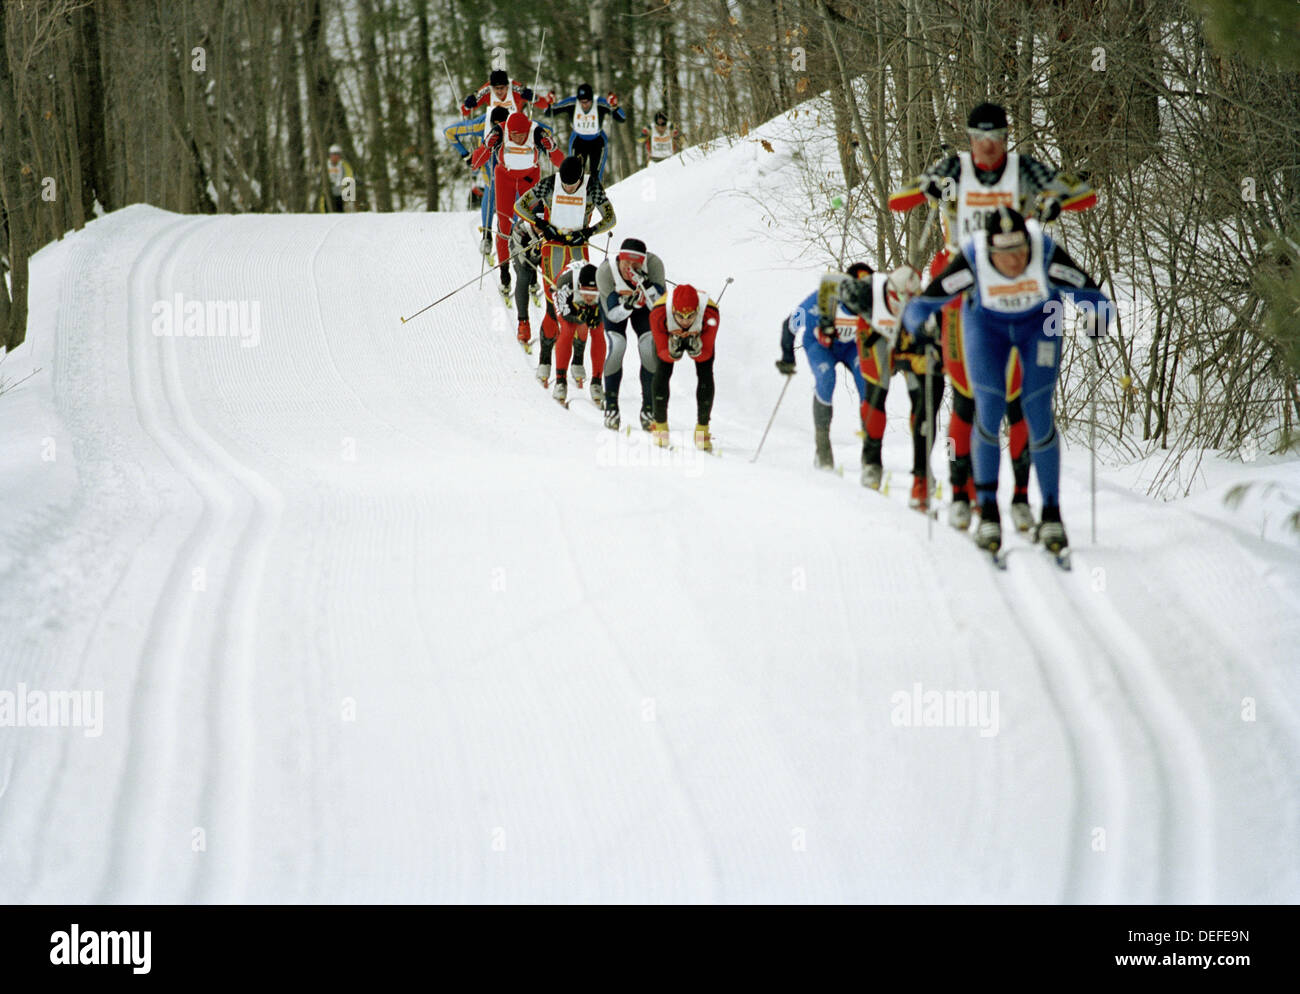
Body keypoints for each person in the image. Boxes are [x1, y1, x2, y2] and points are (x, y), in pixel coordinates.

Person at [890, 101, 1097, 531]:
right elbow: (897, 200)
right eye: (979, 138)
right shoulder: (954, 168)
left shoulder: (1023, 169)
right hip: (961, 290)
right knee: (967, 394)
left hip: (1020, 289)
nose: (988, 147)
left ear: (1007, 138)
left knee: (1024, 397)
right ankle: (962, 491)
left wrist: (1058, 198)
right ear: (968, 137)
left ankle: (1021, 496)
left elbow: (1083, 193)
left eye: (997, 138)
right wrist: (925, 189)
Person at [901, 207, 1110, 555]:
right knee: (989, 405)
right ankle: (988, 513)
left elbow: (1094, 296)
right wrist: (918, 327)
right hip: (986, 326)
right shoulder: (973, 257)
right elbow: (923, 304)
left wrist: (1097, 317)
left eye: (1020, 251)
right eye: (1004, 253)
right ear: (990, 249)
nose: (1013, 261)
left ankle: (1051, 513)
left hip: (1042, 321)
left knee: (1038, 409)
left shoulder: (1044, 250)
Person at [856, 266, 945, 510]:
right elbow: (840, 289)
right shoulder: (872, 289)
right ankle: (872, 461)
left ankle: (922, 468)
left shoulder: (923, 307)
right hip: (875, 336)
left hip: (906, 340)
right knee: (877, 389)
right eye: (896, 298)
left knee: (921, 399)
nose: (901, 304)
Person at [514, 155, 616, 360]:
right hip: (553, 246)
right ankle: (546, 357)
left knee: (579, 300)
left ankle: (577, 359)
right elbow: (520, 206)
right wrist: (541, 225)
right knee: (554, 300)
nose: (568, 187)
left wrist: (589, 232)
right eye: (565, 184)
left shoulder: (591, 186)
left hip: (578, 247)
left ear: (581, 178)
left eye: (573, 185)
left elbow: (610, 218)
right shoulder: (551, 183)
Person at [776, 264, 873, 472]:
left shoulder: (874, 302)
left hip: (852, 346)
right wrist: (787, 356)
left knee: (867, 381)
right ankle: (823, 450)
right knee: (826, 378)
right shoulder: (820, 300)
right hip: (820, 346)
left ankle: (870, 454)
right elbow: (790, 325)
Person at [472, 111, 564, 298]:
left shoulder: (537, 132)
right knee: (504, 227)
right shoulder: (499, 132)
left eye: (521, 135)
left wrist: (552, 149)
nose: (517, 138)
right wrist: (486, 147)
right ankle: (505, 274)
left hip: (529, 179)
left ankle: (531, 276)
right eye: (513, 135)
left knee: (532, 225)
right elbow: (476, 162)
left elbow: (560, 162)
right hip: (504, 178)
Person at [596, 238, 666, 431]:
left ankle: (648, 407)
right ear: (619, 258)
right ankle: (611, 406)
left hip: (644, 308)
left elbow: (659, 305)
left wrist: (646, 284)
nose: (630, 268)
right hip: (617, 308)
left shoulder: (653, 264)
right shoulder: (605, 271)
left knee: (647, 345)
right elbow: (613, 315)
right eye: (626, 263)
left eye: (636, 264)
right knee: (617, 345)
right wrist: (629, 305)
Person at [649, 283, 720, 451]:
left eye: (691, 316)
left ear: (698, 312)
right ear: (673, 310)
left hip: (701, 334)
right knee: (662, 370)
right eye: (680, 316)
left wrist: (696, 350)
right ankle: (660, 426)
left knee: (705, 373)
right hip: (667, 335)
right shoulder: (658, 312)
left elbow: (706, 354)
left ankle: (703, 429)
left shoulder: (711, 313)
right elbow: (661, 352)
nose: (685, 321)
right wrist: (672, 352)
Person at [542, 83, 625, 182]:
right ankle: (576, 196)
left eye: (587, 102)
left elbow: (621, 118)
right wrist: (550, 103)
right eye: (582, 102)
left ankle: (595, 193)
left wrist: (614, 106)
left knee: (595, 174)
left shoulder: (600, 103)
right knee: (575, 173)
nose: (584, 105)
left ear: (591, 99)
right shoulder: (572, 103)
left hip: (597, 141)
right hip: (578, 141)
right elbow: (549, 112)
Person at [549, 261, 606, 406]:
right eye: (586, 291)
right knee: (568, 328)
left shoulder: (606, 287)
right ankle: (560, 381)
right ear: (580, 287)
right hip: (563, 291)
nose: (589, 297)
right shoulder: (565, 285)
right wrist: (580, 317)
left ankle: (597, 382)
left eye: (593, 292)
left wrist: (596, 317)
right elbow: (566, 315)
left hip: (586, 295)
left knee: (598, 330)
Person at [508, 221, 544, 344]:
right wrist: (532, 255)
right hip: (521, 250)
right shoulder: (521, 229)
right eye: (538, 227)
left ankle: (554, 323)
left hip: (541, 249)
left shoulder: (552, 227)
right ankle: (523, 323)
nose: (541, 230)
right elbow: (523, 260)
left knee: (551, 276)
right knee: (524, 275)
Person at [323, 144, 355, 213]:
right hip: (328, 193)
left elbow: (350, 176)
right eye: (333, 154)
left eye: (337, 154)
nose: (335, 157)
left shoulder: (343, 165)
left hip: (340, 193)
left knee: (339, 211)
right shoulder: (325, 165)